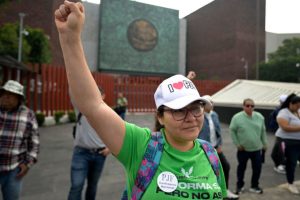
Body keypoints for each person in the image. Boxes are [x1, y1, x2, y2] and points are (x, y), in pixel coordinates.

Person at [54, 2, 227, 199]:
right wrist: (70, 38)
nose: (191, 118)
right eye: (179, 110)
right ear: (160, 117)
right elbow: (92, 105)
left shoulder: (210, 154)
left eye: (196, 108)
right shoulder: (142, 147)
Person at [68, 87, 110, 200]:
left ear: (103, 96)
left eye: (98, 94)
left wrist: (109, 148)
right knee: (77, 185)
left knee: (92, 185)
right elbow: (73, 90)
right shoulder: (81, 108)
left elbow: (113, 132)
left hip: (100, 155)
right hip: (81, 153)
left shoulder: (108, 113)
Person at [0, 80, 39, 200]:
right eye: (4, 93)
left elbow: (34, 144)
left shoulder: (28, 115)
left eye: (11, 94)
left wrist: (27, 163)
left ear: (19, 99)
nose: (6, 97)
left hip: (13, 169)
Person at [198, 95, 239, 199]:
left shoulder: (214, 115)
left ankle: (224, 190)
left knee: (225, 166)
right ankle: (207, 192)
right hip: (203, 148)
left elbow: (218, 131)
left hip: (215, 148)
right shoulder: (199, 115)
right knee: (205, 171)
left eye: (212, 102)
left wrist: (219, 144)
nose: (211, 104)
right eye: (209, 102)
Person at [229, 98, 267, 195]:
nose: (250, 107)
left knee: (257, 169)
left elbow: (263, 131)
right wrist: (237, 144)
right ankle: (239, 186)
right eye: (247, 105)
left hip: (257, 149)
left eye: (252, 106)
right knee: (241, 168)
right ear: (243, 106)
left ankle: (254, 186)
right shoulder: (237, 117)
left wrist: (265, 143)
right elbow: (232, 130)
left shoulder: (259, 117)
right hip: (243, 149)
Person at [275, 93, 300, 194]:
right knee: (291, 163)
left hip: (298, 142)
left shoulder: (297, 112)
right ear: (291, 104)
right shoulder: (283, 113)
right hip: (288, 141)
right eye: (297, 105)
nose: (298, 107)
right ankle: (290, 184)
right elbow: (285, 127)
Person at [270, 94, 288, 174]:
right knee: (278, 151)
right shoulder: (279, 110)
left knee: (280, 150)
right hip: (280, 133)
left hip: (283, 134)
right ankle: (281, 164)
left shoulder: (280, 110)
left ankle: (282, 165)